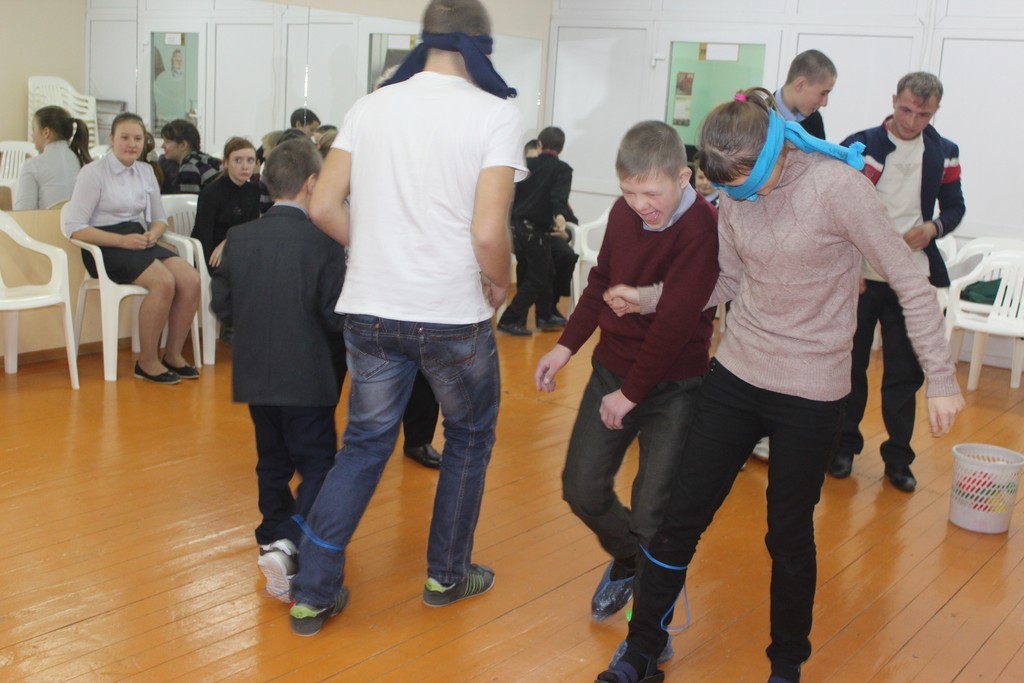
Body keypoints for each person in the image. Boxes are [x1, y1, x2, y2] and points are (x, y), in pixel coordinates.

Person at [596, 88, 963, 683]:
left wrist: (941, 378)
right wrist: (649, 298)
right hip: (737, 373)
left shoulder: (838, 188)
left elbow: (909, 281)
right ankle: (642, 649)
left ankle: (786, 664)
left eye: (742, 183)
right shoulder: (735, 192)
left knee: (788, 533)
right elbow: (725, 280)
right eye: (724, 188)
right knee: (678, 516)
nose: (736, 197)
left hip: (811, 391)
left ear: (769, 154)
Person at [287, 0, 526, 637]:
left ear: (426, 41)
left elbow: (323, 206)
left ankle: (312, 592)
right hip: (451, 314)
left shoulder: (371, 106)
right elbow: (488, 233)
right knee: (468, 437)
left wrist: (377, 249)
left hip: (370, 309)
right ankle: (447, 575)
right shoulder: (495, 115)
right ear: (482, 48)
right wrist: (501, 280)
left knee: (364, 446)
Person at [534, 121, 718, 629]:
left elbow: (676, 322)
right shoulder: (623, 213)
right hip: (612, 370)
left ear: (683, 177)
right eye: (629, 192)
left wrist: (631, 394)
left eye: (651, 193)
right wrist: (566, 347)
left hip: (674, 386)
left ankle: (649, 628)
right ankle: (631, 559)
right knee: (582, 488)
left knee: (653, 509)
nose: (639, 205)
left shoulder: (701, 228)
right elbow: (600, 282)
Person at [209, 138, 347, 604]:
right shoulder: (324, 241)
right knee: (318, 463)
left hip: (255, 371)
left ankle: (271, 535)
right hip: (308, 374)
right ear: (312, 183)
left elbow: (223, 305)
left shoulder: (240, 238)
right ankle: (291, 539)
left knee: (271, 459)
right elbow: (333, 314)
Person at [828, 72, 965, 492]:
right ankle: (843, 447)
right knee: (850, 365)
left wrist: (933, 228)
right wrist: (848, 266)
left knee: (905, 373)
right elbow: (834, 208)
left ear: (935, 112)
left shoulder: (944, 152)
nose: (911, 121)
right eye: (906, 110)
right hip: (862, 277)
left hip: (911, 277)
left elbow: (955, 207)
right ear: (893, 101)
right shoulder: (861, 144)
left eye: (923, 114)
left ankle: (899, 458)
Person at [63, 112, 200, 385]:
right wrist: (122, 241)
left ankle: (173, 354)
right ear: (111, 138)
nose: (131, 144)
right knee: (163, 281)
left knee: (190, 279)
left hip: (138, 239)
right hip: (103, 245)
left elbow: (158, 219)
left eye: (137, 138)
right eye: (124, 137)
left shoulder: (146, 171)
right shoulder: (93, 173)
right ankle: (147, 362)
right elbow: (74, 228)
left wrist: (153, 234)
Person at [752, 48, 838, 461]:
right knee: (753, 339)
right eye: (823, 92)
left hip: (795, 245)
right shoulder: (755, 112)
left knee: (787, 344)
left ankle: (777, 430)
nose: (825, 102)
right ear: (800, 83)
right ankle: (746, 428)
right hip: (755, 240)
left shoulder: (814, 123)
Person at [497, 126, 578, 336]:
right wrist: (560, 217)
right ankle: (510, 319)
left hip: (516, 228)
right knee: (538, 277)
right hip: (535, 231)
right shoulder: (562, 169)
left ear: (540, 144)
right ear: (561, 148)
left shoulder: (527, 165)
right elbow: (558, 198)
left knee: (546, 269)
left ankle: (545, 315)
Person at [191, 137, 261, 273]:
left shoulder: (253, 191)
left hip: (237, 247)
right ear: (226, 163)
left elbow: (251, 229)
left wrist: (228, 241)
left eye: (250, 160)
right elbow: (204, 235)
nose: (245, 166)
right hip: (211, 253)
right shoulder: (211, 193)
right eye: (238, 160)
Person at [15, 105, 92, 210]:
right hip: (76, 220)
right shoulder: (80, 161)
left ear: (46, 132)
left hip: (46, 221)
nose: (32, 135)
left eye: (33, 129)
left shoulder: (32, 165)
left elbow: (23, 213)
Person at [775, 49, 836, 139]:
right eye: (823, 93)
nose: (825, 103)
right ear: (800, 85)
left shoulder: (815, 120)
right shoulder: (758, 115)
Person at [159, 119, 221, 194]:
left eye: (167, 142)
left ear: (183, 145)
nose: (162, 146)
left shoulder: (189, 167)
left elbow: (189, 200)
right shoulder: (205, 160)